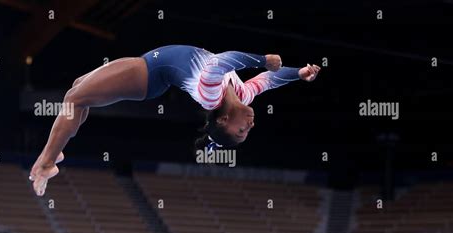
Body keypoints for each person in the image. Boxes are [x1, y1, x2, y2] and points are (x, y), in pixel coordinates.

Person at [29, 45, 321, 196]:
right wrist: (298, 74)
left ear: (223, 121)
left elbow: (224, 60)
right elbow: (269, 80)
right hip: (150, 63)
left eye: (242, 131)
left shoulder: (210, 93)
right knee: (77, 90)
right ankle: (56, 151)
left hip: (149, 74)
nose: (251, 125)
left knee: (74, 99)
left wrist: (260, 59)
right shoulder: (244, 94)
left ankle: (47, 162)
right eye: (247, 130)